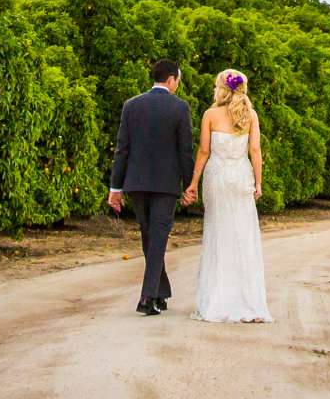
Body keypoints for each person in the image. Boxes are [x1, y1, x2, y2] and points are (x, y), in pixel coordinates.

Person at [106, 56, 193, 315]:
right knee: (155, 240)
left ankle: (160, 292)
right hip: (166, 185)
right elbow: (185, 152)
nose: (177, 84)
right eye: (178, 80)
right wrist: (189, 185)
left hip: (137, 183)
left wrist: (115, 188)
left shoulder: (131, 105)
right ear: (171, 79)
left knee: (150, 238)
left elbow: (122, 150)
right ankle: (147, 298)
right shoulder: (180, 108)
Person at [182, 67, 270, 322]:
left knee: (219, 234)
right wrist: (258, 182)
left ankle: (218, 300)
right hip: (241, 177)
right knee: (244, 235)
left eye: (215, 85)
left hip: (218, 178)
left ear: (222, 88)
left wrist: (193, 183)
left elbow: (203, 152)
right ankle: (248, 303)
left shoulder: (210, 114)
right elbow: (255, 150)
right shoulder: (250, 114)